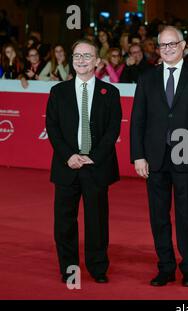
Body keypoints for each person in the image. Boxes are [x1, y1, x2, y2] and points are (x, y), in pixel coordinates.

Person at [130, 26, 188, 288]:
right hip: (154, 158)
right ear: (158, 49)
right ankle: (165, 266)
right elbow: (137, 121)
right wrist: (138, 156)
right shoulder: (147, 78)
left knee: (187, 215)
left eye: (172, 44)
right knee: (158, 216)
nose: (167, 49)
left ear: (183, 46)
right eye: (162, 45)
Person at [45, 39, 122, 284]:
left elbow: (112, 131)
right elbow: (52, 128)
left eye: (87, 56)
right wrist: (69, 156)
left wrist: (93, 157)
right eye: (77, 56)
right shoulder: (58, 91)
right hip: (66, 165)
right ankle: (68, 268)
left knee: (97, 221)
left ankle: (98, 267)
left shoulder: (110, 93)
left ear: (97, 61)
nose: (81, 60)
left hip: (96, 166)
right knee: (64, 222)